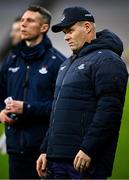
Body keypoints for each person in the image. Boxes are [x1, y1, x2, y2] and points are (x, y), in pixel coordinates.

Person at [36, 6, 128, 179]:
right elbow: (56, 113)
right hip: (56, 161)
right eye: (64, 33)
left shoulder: (107, 59)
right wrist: (46, 150)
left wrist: (89, 149)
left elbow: (109, 111)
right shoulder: (66, 64)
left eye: (70, 30)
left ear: (87, 27)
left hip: (84, 161)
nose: (66, 37)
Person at [0, 5, 65, 179]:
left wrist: (26, 108)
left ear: (44, 27)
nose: (23, 24)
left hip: (43, 151)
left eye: (30, 20)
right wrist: (1, 112)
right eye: (22, 20)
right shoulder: (11, 60)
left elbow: (61, 108)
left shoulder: (58, 63)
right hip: (15, 149)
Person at [0, 16, 22, 155]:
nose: (12, 34)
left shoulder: (50, 60)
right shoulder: (10, 60)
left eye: (17, 30)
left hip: (36, 132)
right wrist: (2, 111)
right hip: (13, 127)